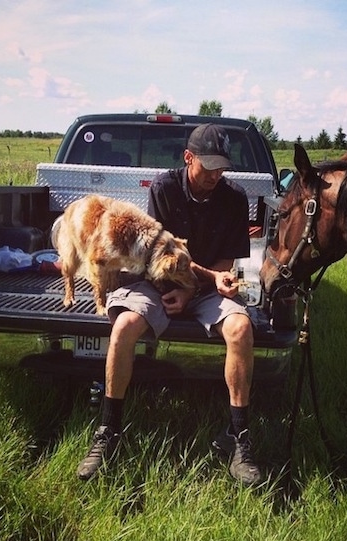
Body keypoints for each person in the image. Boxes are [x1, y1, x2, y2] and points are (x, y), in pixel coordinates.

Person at [76, 123, 262, 486]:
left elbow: (226, 263)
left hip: (205, 287)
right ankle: (108, 431)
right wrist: (188, 285)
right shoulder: (164, 188)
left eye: (221, 167)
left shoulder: (235, 197)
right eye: (207, 166)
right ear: (188, 157)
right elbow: (163, 253)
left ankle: (239, 437)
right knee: (125, 326)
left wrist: (197, 289)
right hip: (159, 277)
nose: (214, 175)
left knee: (241, 328)